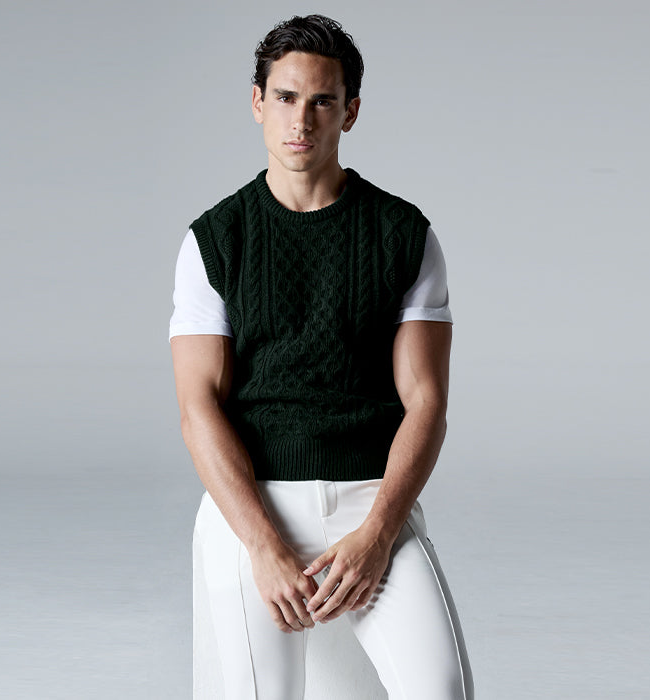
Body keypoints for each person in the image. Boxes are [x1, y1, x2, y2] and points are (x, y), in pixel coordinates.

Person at [170, 14, 473, 699]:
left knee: (441, 688)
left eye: (322, 101)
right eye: (284, 97)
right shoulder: (216, 239)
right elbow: (198, 408)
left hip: (372, 500)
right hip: (253, 503)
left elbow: (426, 401)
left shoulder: (403, 234)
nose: (300, 120)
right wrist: (263, 545)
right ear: (257, 102)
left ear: (350, 112)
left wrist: (380, 533)